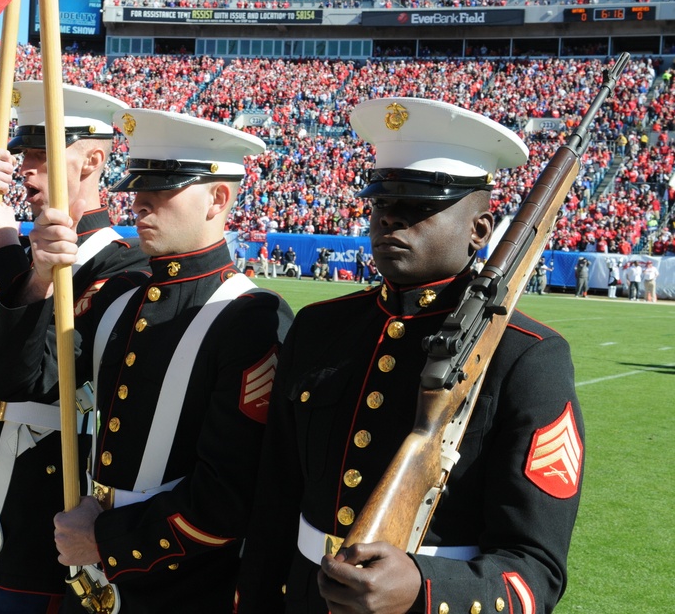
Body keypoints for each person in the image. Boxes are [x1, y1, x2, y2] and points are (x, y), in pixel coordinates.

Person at [238, 97, 584, 614]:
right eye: (380, 203)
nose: (390, 220)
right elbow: (275, 505)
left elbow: (535, 567)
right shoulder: (319, 327)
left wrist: (427, 588)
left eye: (420, 207)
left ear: (480, 229)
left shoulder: (527, 358)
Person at [0, 108, 294, 612]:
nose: (142, 202)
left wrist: (109, 540)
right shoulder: (124, 296)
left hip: (178, 588)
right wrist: (39, 276)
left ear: (218, 198)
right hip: (93, 577)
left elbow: (226, 498)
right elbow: (16, 381)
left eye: (165, 188)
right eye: (139, 186)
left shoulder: (248, 317)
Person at [0, 81, 149, 613]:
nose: (26, 169)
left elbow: (29, 377)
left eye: (42, 155)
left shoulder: (126, 268)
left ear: (91, 160)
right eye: (24, 155)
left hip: (49, 510)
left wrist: (4, 256)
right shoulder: (17, 250)